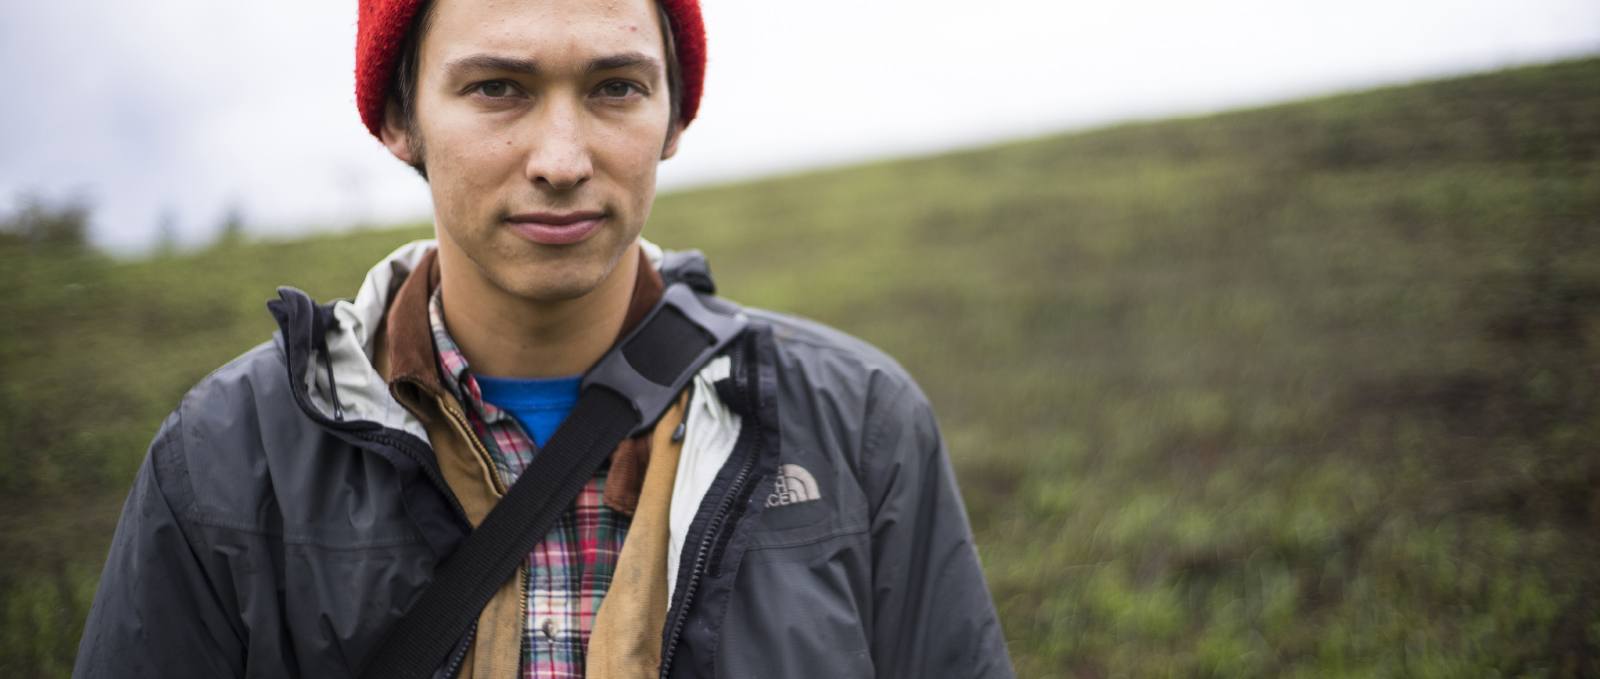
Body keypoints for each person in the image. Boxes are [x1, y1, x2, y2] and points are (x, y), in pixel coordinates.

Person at [72, 0, 1014, 677]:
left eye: (614, 87)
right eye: (497, 88)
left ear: (673, 115)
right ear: (400, 118)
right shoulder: (227, 460)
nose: (563, 160)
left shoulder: (860, 426)